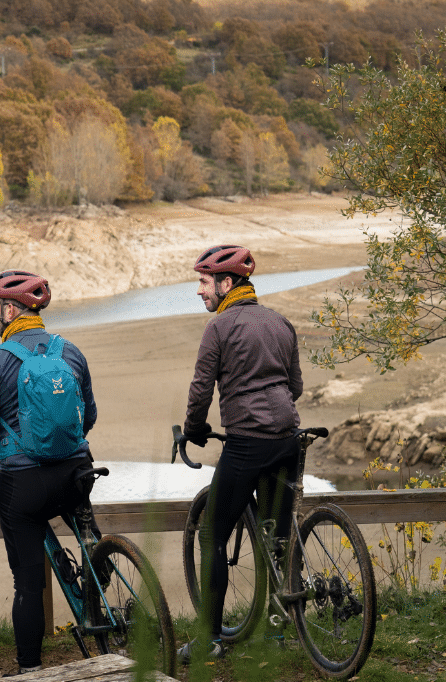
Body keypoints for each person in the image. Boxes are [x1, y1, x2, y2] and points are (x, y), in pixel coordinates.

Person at [0, 270, 98, 675]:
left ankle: (29, 668)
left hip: (25, 482)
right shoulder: (70, 351)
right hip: (77, 471)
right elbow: (88, 416)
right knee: (82, 519)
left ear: (10, 310)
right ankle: (98, 562)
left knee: (28, 583)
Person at [178, 245, 303, 663]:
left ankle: (211, 638)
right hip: (287, 438)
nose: (199, 291)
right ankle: (281, 628)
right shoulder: (280, 322)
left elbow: (201, 390)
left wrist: (194, 429)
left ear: (226, 283)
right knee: (278, 536)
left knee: (212, 534)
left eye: (203, 281)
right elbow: (295, 386)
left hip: (248, 441)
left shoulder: (220, 327)